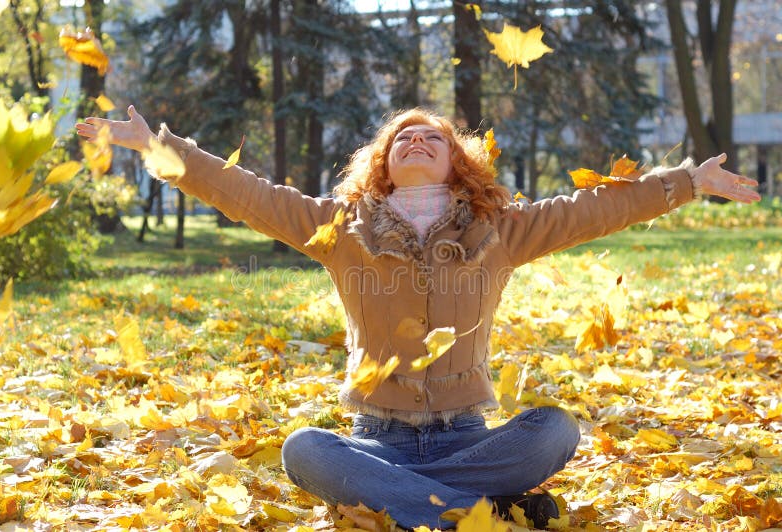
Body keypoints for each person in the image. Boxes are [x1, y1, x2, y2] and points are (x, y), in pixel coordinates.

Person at [77, 106, 760, 529]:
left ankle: (415, 509)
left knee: (553, 430)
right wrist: (155, 151)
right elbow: (244, 192)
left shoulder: (501, 229)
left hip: (470, 436)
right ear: (381, 163)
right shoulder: (339, 228)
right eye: (400, 137)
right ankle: (476, 513)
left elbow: (592, 210)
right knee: (305, 450)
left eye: (429, 136)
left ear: (456, 160)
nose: (413, 140)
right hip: (375, 439)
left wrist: (689, 182)